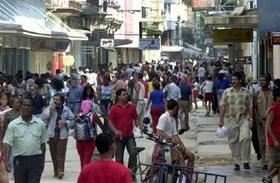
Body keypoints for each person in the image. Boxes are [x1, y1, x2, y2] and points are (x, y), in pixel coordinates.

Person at [3, 95, 48, 183]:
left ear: (32, 108)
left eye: (29, 105)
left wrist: (42, 161)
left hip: (35, 161)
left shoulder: (40, 124)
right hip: (19, 161)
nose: (26, 107)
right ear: (21, 107)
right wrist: (7, 161)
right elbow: (8, 144)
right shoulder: (13, 125)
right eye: (24, 105)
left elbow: (43, 144)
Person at [219, 72, 253, 170]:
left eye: (235, 80)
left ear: (240, 80)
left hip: (244, 119)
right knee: (233, 141)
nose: (233, 82)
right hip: (231, 120)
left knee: (245, 138)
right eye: (232, 80)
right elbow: (222, 106)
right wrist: (221, 120)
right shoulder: (227, 92)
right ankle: (237, 162)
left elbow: (250, 106)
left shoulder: (247, 92)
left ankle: (246, 161)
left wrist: (251, 119)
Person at [42, 93, 74, 179]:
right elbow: (43, 118)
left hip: (62, 135)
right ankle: (56, 170)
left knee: (61, 154)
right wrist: (49, 112)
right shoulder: (50, 108)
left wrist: (65, 123)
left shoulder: (67, 110)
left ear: (62, 101)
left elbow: (72, 121)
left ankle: (61, 171)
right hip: (52, 134)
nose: (55, 101)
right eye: (54, 99)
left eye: (57, 99)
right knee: (54, 154)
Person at [156, 99, 195, 169]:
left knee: (191, 156)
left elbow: (175, 134)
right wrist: (169, 138)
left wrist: (182, 144)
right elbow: (159, 131)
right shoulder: (164, 117)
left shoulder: (172, 119)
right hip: (166, 145)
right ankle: (184, 176)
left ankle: (188, 177)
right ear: (175, 108)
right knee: (181, 160)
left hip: (174, 145)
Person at [108, 88, 138, 173]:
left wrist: (138, 127)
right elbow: (109, 120)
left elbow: (136, 118)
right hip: (118, 137)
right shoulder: (114, 108)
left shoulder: (131, 107)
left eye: (126, 94)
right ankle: (120, 175)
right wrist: (115, 130)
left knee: (133, 153)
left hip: (130, 136)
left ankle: (131, 173)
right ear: (118, 96)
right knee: (119, 158)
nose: (126, 96)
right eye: (123, 94)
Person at [76, 85, 104, 169]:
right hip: (90, 139)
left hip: (79, 140)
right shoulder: (93, 115)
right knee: (87, 160)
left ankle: (83, 175)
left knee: (82, 159)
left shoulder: (78, 115)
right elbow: (101, 125)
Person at [254, 75, 273, 170]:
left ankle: (271, 160)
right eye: (260, 80)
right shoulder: (257, 93)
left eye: (263, 80)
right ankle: (264, 161)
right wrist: (257, 117)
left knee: (270, 142)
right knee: (261, 141)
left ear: (268, 82)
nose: (261, 82)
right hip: (260, 122)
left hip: (271, 122)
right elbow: (254, 107)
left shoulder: (273, 94)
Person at [262, 88, 280, 183]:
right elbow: (268, 125)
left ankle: (269, 177)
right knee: (274, 162)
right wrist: (275, 140)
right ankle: (268, 178)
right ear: (277, 98)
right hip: (274, 141)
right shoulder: (273, 109)